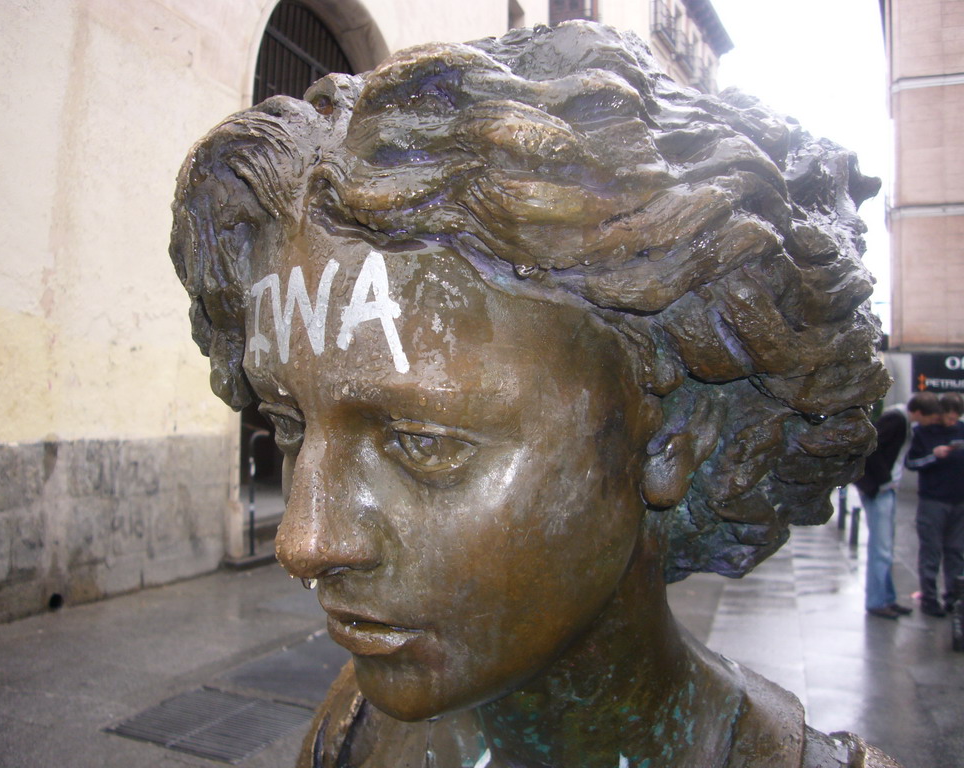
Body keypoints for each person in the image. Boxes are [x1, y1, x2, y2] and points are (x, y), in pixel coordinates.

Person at [170, 22, 898, 768]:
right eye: (291, 426)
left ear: (674, 441)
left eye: (424, 442)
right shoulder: (351, 735)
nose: (305, 541)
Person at [854, 393, 942, 619]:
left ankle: (887, 598)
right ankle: (877, 601)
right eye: (931, 417)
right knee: (881, 549)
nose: (933, 422)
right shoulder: (897, 419)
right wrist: (883, 482)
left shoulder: (901, 418)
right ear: (920, 413)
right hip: (880, 490)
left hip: (884, 489)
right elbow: (871, 449)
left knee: (885, 548)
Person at [907, 392, 964, 617]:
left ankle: (954, 598)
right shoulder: (923, 432)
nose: (951, 422)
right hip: (933, 500)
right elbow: (911, 462)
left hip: (959, 501)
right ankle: (929, 599)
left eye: (956, 418)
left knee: (956, 552)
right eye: (948, 417)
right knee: (931, 551)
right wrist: (933, 456)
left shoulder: (961, 430)